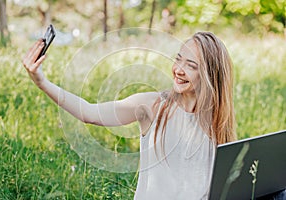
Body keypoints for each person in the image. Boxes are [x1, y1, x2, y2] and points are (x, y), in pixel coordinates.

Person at [22, 31, 240, 199]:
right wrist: (42, 82)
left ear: (211, 75)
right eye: (178, 59)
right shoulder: (153, 106)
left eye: (190, 65)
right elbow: (89, 112)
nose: (178, 69)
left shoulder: (217, 122)